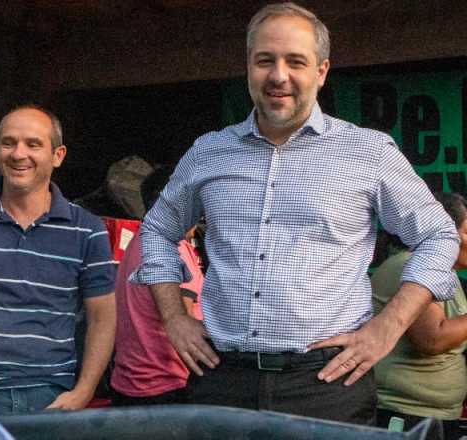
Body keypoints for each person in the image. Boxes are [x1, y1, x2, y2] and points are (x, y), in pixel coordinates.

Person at [135, 2, 460, 425]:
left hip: (327, 383)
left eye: (296, 61)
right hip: (221, 378)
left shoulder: (368, 152)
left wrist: (389, 326)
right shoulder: (209, 153)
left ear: (321, 72)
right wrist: (174, 318)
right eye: (265, 60)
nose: (278, 76)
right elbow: (157, 230)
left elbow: (438, 235)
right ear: (248, 67)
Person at [0, 105, 117, 415]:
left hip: (49, 400)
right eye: (8, 142)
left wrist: (83, 392)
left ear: (58, 155)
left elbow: (103, 319)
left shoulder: (88, 230)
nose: (19, 154)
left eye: (33, 144)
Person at [372, 192, 467, 438]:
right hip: (406, 416)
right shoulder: (408, 266)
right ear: (443, 232)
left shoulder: (446, 275)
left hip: (437, 415)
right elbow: (432, 339)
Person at [110, 166, 203, 406]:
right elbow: (186, 328)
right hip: (168, 389)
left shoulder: (137, 243)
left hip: (128, 386)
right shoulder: (175, 249)